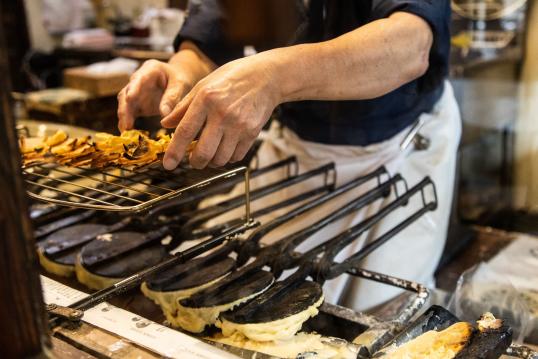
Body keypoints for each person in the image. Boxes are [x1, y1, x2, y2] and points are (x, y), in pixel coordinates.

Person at [117, 0, 461, 311]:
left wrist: (273, 75)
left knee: (373, 309)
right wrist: (183, 71)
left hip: (397, 148)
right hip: (296, 143)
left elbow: (409, 46)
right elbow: (215, 27)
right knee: (230, 285)